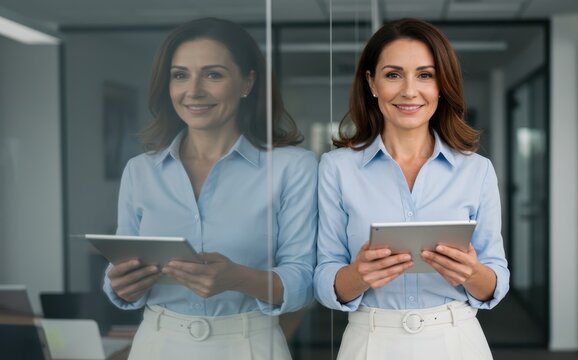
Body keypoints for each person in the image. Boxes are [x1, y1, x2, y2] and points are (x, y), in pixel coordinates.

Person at [102, 17, 317, 359]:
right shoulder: (140, 171)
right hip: (157, 343)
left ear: (247, 82)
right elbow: (122, 266)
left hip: (249, 344)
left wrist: (237, 278)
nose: (194, 90)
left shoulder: (293, 168)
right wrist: (120, 284)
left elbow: (305, 282)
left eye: (213, 74)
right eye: (180, 75)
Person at [313, 18, 509, 359]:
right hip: (369, 341)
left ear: (441, 85)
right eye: (393, 75)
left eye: (425, 75)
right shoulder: (336, 168)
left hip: (456, 339)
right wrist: (358, 275)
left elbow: (496, 281)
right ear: (372, 83)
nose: (409, 90)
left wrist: (472, 273)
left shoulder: (477, 171)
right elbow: (324, 278)